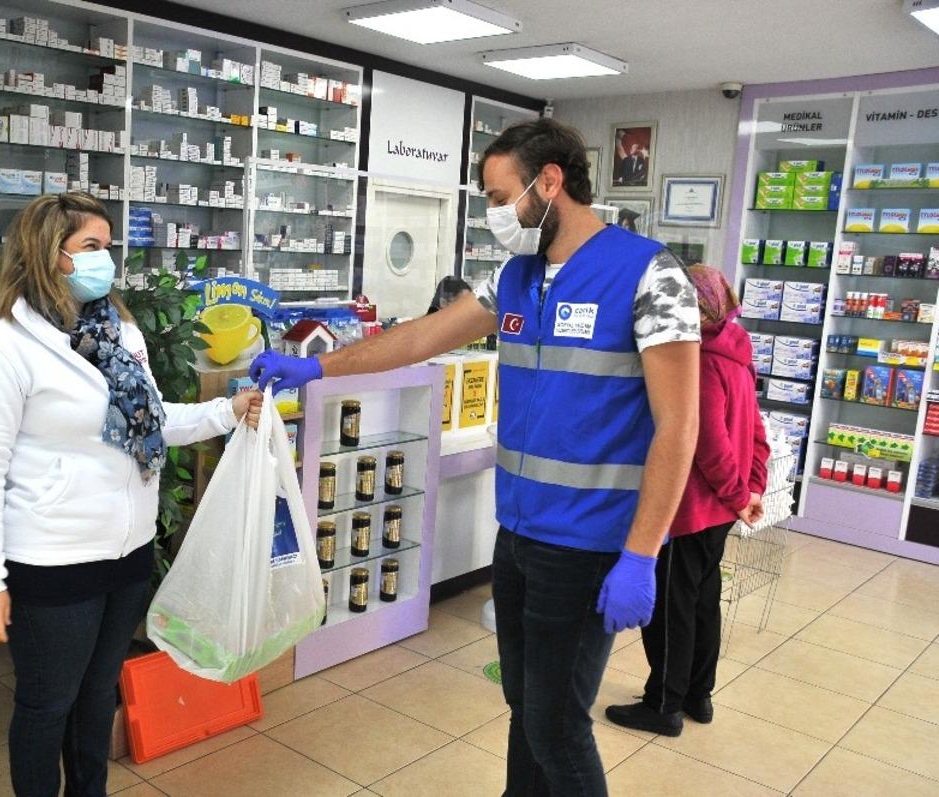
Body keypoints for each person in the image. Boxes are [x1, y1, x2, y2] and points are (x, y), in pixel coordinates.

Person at [250, 118, 701, 796]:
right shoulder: (516, 279)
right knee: (526, 705)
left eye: (499, 196)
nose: (493, 214)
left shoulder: (648, 273)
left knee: (556, 722)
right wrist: (319, 369)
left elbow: (678, 427)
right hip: (518, 533)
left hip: (588, 544)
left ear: (550, 183)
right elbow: (420, 338)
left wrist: (641, 553)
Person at [0, 192, 262, 797]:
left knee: (97, 697)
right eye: (92, 246)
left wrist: (228, 411)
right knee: (48, 704)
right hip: (52, 559)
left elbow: (152, 419)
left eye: (109, 245)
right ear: (48, 256)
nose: (107, 259)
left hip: (126, 553)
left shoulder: (119, 332)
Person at [606, 265, 770, 738]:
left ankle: (663, 705)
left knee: (670, 612)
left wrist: (739, 495)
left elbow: (707, 444)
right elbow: (755, 433)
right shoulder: (736, 353)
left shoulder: (697, 363)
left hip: (689, 507)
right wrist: (750, 491)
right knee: (702, 603)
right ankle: (699, 695)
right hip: (721, 510)